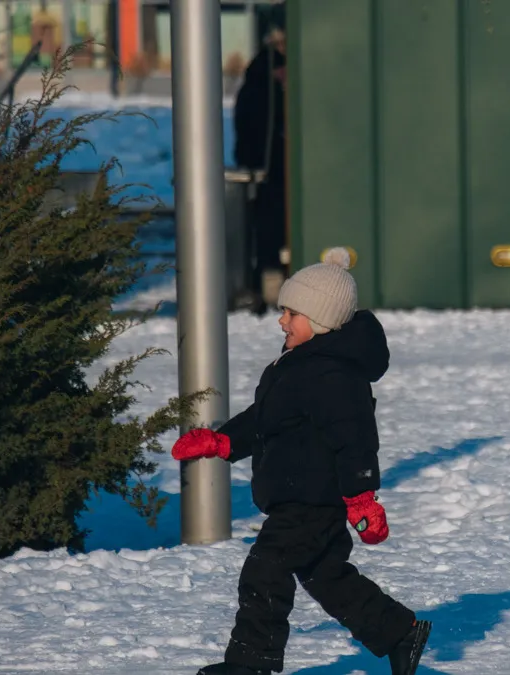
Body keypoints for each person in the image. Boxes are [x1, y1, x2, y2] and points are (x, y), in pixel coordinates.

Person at [171, 251, 431, 675]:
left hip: (312, 499)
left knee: (266, 567)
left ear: (322, 320)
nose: (282, 321)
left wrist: (362, 497)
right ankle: (399, 632)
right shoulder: (299, 365)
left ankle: (250, 663)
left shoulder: (334, 374)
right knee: (326, 577)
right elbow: (266, 418)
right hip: (299, 494)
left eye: (292, 313)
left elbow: (355, 438)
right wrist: (221, 441)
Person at [233, 5, 288, 314]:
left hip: (276, 164)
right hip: (268, 167)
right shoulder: (261, 79)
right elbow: (251, 123)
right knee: (267, 229)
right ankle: (268, 286)